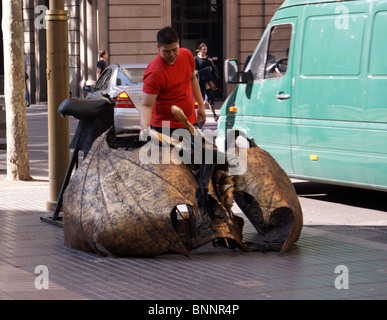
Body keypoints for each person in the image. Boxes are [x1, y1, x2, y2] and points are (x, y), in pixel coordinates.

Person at [140, 26, 206, 138]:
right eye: (166, 51)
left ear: (178, 43)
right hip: (164, 127)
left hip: (189, 122)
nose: (171, 55)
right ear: (158, 47)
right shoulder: (154, 72)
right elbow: (146, 105)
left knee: (197, 155)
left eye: (174, 49)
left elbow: (192, 79)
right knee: (168, 156)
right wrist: (144, 128)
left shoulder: (187, 55)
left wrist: (201, 105)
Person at [194, 43, 219, 121]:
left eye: (206, 49)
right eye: (203, 49)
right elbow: (195, 72)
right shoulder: (196, 59)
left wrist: (211, 63)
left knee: (210, 96)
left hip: (208, 80)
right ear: (200, 50)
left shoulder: (208, 58)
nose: (205, 51)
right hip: (201, 80)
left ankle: (214, 115)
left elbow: (213, 68)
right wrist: (207, 69)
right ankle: (199, 115)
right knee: (201, 99)